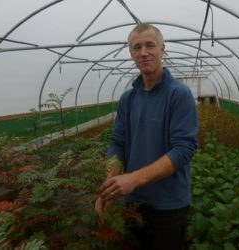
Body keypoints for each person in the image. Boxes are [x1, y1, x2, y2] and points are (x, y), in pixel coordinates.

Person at [95, 23, 199, 250]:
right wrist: (110, 185)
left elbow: (184, 149)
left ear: (163, 49)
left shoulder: (179, 95)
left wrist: (133, 179)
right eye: (136, 47)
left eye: (150, 45)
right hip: (133, 204)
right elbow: (117, 142)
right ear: (131, 54)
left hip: (168, 206)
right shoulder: (127, 99)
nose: (143, 53)